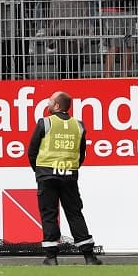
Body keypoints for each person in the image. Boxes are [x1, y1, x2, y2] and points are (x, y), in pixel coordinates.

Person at [27, 91, 102, 266]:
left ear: (57, 106)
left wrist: (39, 171)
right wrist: (70, 168)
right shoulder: (79, 125)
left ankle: (51, 257)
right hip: (69, 176)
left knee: (49, 214)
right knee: (75, 213)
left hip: (46, 176)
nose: (48, 102)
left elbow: (32, 151)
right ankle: (89, 256)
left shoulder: (45, 123)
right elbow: (81, 153)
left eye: (50, 100)